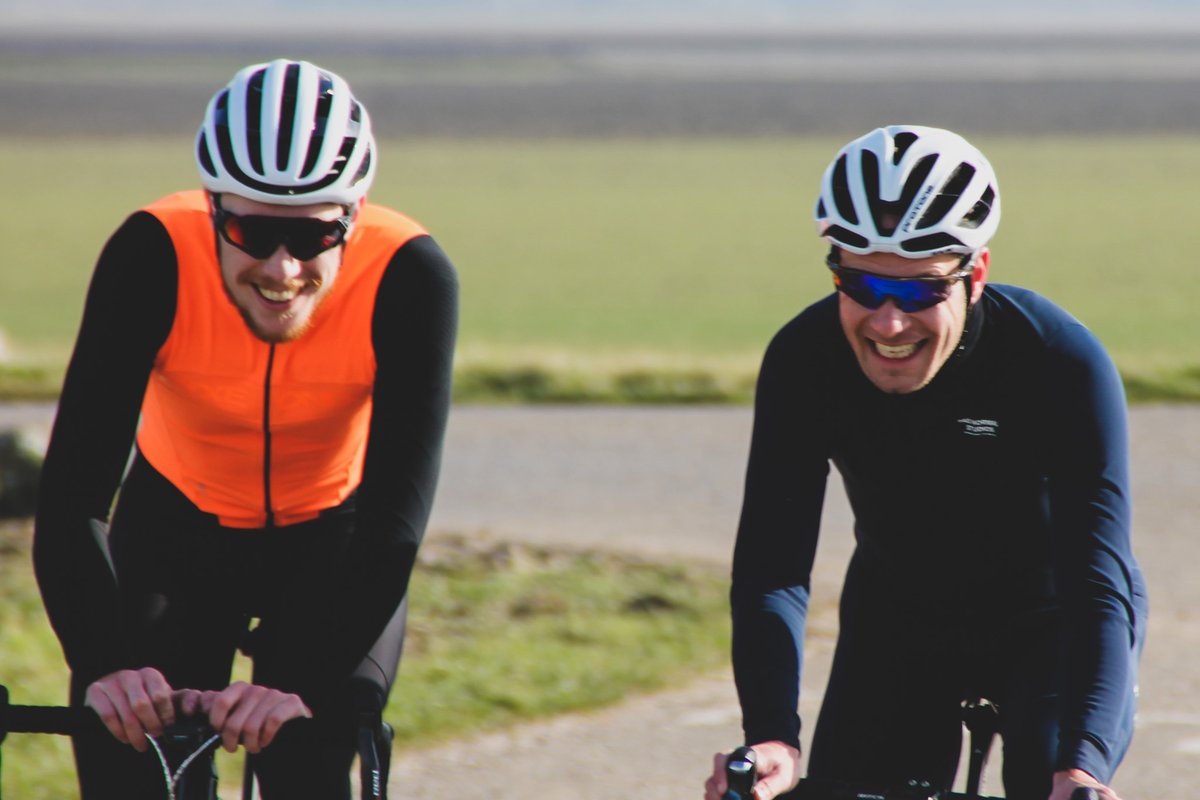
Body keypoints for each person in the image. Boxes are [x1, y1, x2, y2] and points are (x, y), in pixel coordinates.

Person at [33, 58, 458, 798]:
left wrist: (312, 688)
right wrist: (107, 664)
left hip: (335, 540)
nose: (282, 267)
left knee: (304, 762)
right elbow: (73, 497)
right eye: (251, 229)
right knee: (132, 756)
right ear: (212, 209)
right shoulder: (151, 253)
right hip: (173, 530)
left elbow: (396, 517)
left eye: (317, 236)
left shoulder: (409, 273)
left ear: (353, 219)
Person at [704, 126, 1146, 800]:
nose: (887, 324)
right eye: (860, 284)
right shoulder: (804, 359)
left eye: (919, 293)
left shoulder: (1059, 362)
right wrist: (771, 735)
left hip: (1052, 622)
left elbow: (1098, 580)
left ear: (976, 273)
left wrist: (1083, 765)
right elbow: (773, 567)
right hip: (899, 616)